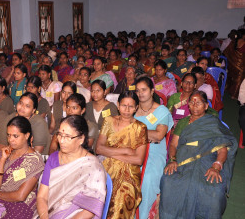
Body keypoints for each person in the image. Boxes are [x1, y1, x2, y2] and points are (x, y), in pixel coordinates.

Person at [160, 91, 237, 219]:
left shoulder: (212, 123)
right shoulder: (183, 123)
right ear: (188, 105)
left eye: (199, 102)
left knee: (214, 189)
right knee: (168, 181)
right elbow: (173, 145)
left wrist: (216, 166)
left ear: (206, 106)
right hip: (183, 160)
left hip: (207, 161)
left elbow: (222, 150)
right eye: (191, 102)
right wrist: (172, 159)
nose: (194, 105)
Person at [35, 115, 107, 219]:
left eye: (68, 137)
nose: (61, 141)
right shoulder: (53, 158)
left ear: (81, 139)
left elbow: (90, 209)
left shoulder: (93, 167)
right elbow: (42, 196)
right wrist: (44, 216)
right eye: (59, 135)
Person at [96, 91, 148, 218]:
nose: (127, 109)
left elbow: (138, 159)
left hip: (128, 171)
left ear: (136, 108)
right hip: (105, 165)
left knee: (122, 196)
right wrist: (125, 151)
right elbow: (98, 148)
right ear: (118, 105)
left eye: (131, 106)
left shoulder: (140, 128)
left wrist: (110, 153)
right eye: (124, 105)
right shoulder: (108, 121)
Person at [134, 76, 173, 219]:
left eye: (144, 90)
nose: (140, 93)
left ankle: (143, 215)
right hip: (133, 148)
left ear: (152, 91)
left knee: (148, 178)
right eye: (137, 90)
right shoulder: (132, 107)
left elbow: (158, 135)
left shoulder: (161, 110)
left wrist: (134, 131)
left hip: (154, 149)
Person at [224, 29, 245, 99]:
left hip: (232, 63)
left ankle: (228, 89)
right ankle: (234, 95)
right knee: (239, 79)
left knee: (232, 77)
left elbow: (226, 52)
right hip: (240, 65)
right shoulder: (243, 42)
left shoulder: (233, 41)